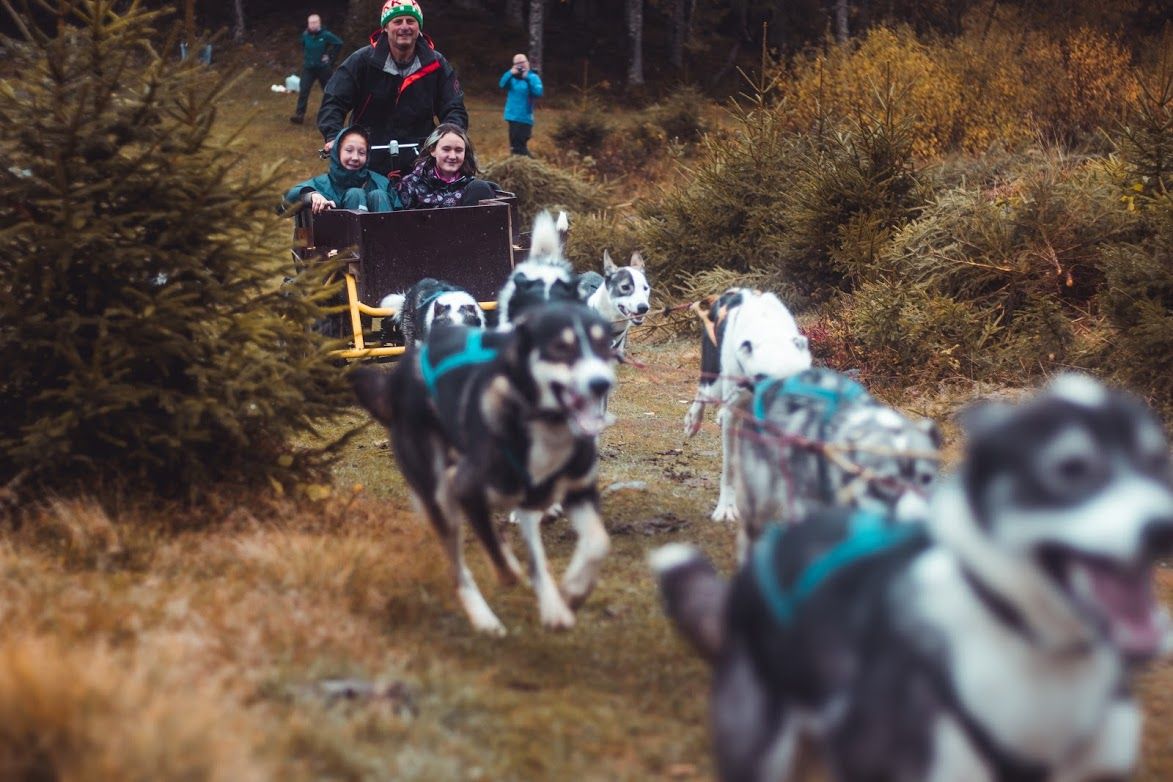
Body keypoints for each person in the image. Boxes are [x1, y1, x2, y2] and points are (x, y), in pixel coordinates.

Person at [317, 0, 468, 176]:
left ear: (419, 27)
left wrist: (450, 138)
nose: (404, 27)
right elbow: (334, 100)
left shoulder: (437, 64)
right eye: (397, 21)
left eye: (410, 21)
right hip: (368, 153)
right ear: (385, 28)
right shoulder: (362, 61)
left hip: (420, 157)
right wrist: (333, 136)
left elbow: (454, 107)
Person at [284, 126, 402, 213]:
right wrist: (310, 196)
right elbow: (282, 204)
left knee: (379, 195)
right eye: (349, 150)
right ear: (337, 152)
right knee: (355, 194)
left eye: (361, 152)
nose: (355, 157)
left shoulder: (381, 183)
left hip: (385, 241)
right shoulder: (322, 184)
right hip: (336, 244)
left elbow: (403, 213)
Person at [396, 123, 497, 209]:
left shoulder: (473, 187)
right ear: (432, 150)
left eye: (458, 150)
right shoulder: (410, 184)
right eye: (446, 149)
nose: (452, 156)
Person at [290, 13, 343, 125]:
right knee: (303, 90)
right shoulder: (305, 35)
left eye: (315, 23)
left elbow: (338, 43)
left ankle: (331, 115)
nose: (312, 25)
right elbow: (303, 46)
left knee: (329, 91)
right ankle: (299, 114)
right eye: (310, 23)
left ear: (319, 23)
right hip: (308, 68)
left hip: (323, 68)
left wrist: (330, 57)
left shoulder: (325, 35)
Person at [498, 53, 543, 156]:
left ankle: (532, 166)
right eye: (517, 63)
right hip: (512, 116)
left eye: (522, 62)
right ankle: (518, 167)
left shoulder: (533, 77)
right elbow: (502, 84)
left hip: (524, 117)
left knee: (519, 147)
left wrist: (527, 78)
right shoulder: (512, 79)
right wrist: (510, 73)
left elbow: (538, 92)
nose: (520, 65)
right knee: (514, 147)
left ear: (527, 63)